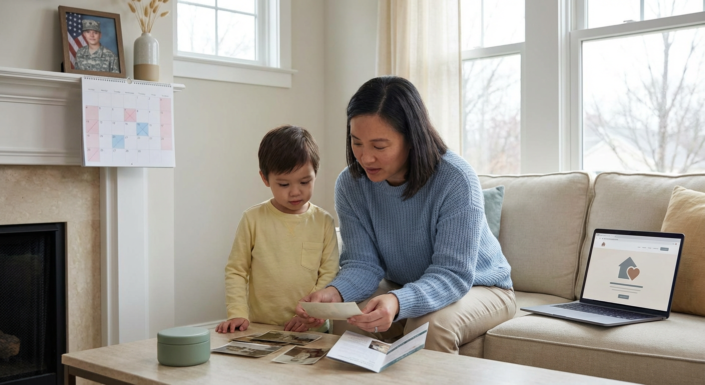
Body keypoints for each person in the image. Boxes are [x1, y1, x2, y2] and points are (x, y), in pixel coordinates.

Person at [295, 76, 516, 353]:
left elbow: (453, 274)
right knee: (348, 321)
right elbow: (363, 264)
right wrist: (334, 293)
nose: (365, 158)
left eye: (379, 146)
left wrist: (398, 301)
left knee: (428, 328)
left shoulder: (455, 179)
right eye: (356, 142)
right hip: (403, 282)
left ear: (412, 139)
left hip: (481, 285)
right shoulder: (350, 184)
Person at [216, 125, 339, 334]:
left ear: (315, 174)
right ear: (265, 178)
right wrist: (237, 313)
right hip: (261, 328)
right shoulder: (252, 219)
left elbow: (329, 275)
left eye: (304, 181)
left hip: (312, 329)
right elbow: (236, 270)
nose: (295, 192)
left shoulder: (324, 222)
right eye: (283, 184)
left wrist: (310, 313)